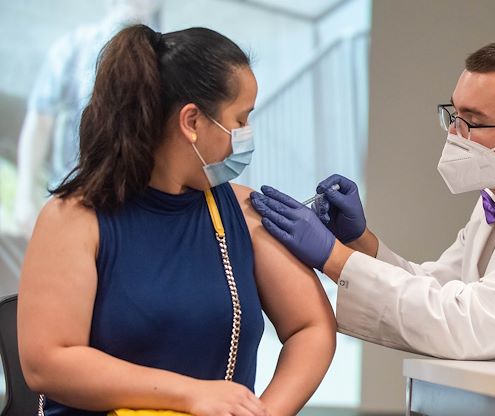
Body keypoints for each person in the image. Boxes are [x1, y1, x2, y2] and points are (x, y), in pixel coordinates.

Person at [250, 37, 495, 361]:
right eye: (453, 114)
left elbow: (469, 325)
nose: (455, 134)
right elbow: (441, 288)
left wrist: (333, 258)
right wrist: (360, 242)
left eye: (472, 121)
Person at [17, 25, 336, 416]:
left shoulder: (245, 212)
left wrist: (265, 412)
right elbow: (45, 362)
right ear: (192, 122)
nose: (245, 135)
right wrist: (190, 394)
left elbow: (311, 328)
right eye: (240, 119)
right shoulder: (74, 219)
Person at [14, 0, 162, 238]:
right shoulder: (73, 47)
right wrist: (24, 195)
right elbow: (40, 121)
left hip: (136, 206)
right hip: (72, 192)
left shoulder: (165, 59)